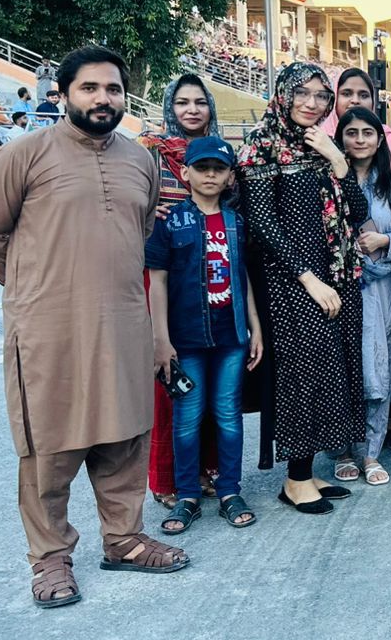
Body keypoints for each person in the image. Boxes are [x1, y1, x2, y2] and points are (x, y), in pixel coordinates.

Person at [0, 45, 185, 609]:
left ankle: (124, 539)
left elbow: (138, 232)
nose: (102, 99)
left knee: (125, 432)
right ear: (63, 94)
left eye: (113, 89)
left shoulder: (141, 160)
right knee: (49, 443)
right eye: (89, 88)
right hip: (49, 328)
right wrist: (35, 291)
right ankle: (50, 557)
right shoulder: (23, 155)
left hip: (123, 322)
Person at [239, 62, 367, 516]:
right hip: (292, 281)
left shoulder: (321, 143)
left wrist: (338, 160)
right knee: (303, 373)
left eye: (320, 95)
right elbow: (263, 225)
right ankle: (294, 479)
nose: (311, 103)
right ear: (283, 93)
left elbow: (358, 211)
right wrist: (308, 278)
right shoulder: (261, 143)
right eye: (302, 93)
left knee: (333, 369)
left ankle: (307, 472)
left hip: (337, 273)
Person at [145, 137, 264, 535]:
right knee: (187, 418)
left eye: (218, 168)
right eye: (202, 168)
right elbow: (157, 282)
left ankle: (230, 490)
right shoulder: (169, 222)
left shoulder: (237, 222)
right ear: (186, 172)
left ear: (230, 176)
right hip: (186, 340)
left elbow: (243, 278)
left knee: (228, 415)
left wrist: (254, 327)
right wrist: (160, 339)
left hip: (231, 337)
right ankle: (187, 496)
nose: (210, 175)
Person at [138, 74, 225, 505]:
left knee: (209, 380)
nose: (192, 110)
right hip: (163, 272)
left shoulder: (220, 153)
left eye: (200, 102)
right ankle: (167, 479)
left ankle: (206, 470)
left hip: (212, 271)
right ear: (170, 107)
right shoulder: (150, 152)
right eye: (182, 102)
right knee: (169, 380)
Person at [337, 106, 391, 482]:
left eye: (367, 133)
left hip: (384, 291)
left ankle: (371, 453)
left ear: (379, 140)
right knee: (344, 369)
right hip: (342, 289)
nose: (360, 140)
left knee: (379, 369)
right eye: (352, 132)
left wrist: (384, 240)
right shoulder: (330, 182)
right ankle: (343, 449)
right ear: (340, 138)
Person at [320, 66, 391, 244]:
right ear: (334, 98)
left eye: (363, 95)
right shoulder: (319, 142)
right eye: (347, 93)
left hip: (385, 256)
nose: (355, 100)